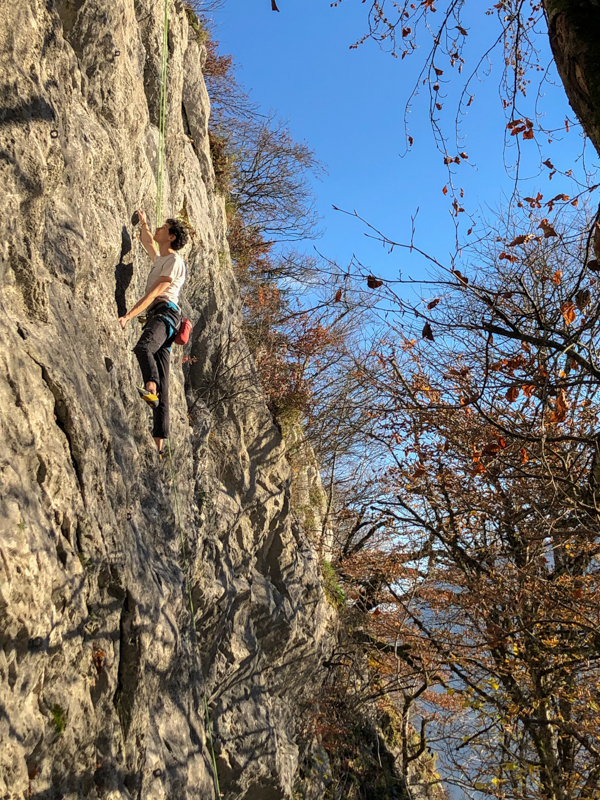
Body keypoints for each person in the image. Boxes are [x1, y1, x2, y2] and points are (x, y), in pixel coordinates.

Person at [119, 210, 188, 456]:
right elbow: (149, 242)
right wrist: (144, 223)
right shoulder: (162, 259)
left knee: (143, 347)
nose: (159, 229)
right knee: (164, 386)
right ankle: (160, 443)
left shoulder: (174, 262)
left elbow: (154, 293)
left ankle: (150, 386)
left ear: (171, 237)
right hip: (167, 320)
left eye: (163, 228)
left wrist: (129, 315)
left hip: (164, 314)